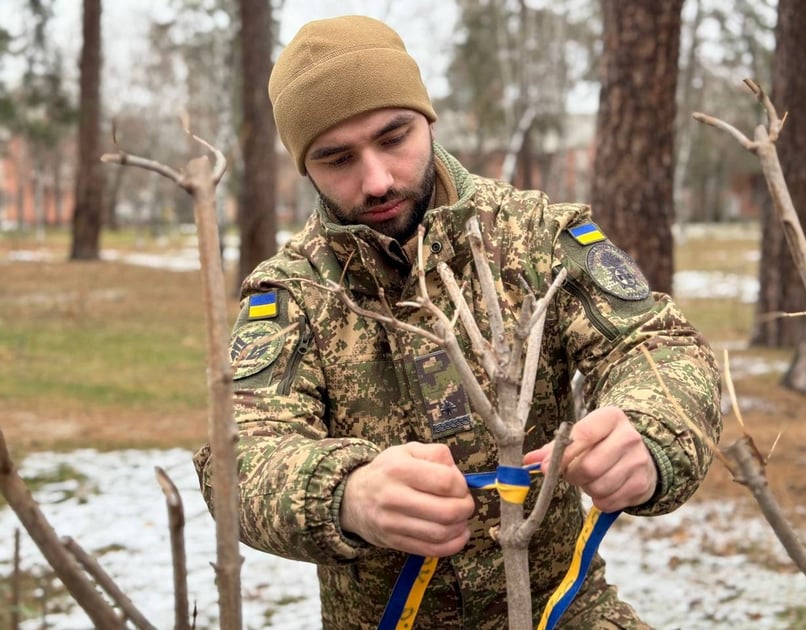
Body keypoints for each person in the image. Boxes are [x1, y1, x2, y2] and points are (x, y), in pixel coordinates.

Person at [194, 14, 722, 629]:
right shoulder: (292, 294)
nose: (377, 179)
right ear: (305, 170)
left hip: (564, 610)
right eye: (337, 159)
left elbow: (657, 344)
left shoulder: (536, 235)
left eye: (394, 137)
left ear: (429, 120)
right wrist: (347, 495)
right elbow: (237, 458)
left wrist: (648, 431)